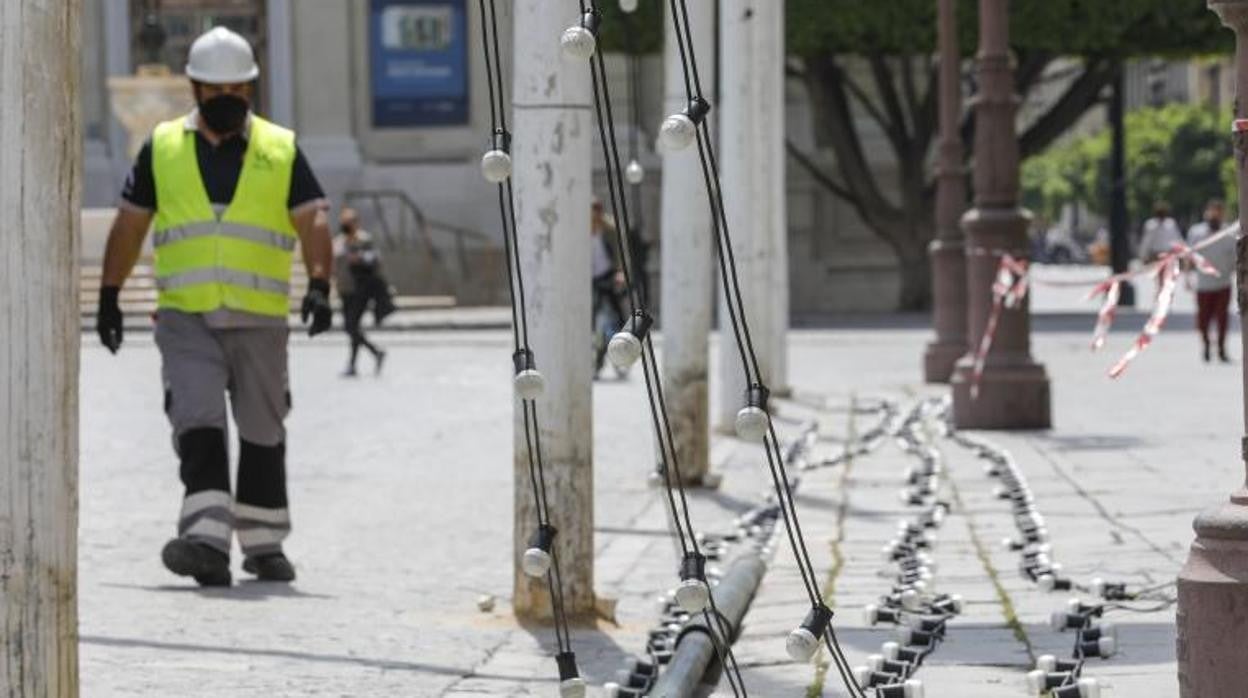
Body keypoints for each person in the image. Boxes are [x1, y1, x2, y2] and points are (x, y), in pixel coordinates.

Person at [94, 27, 333, 586]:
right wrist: (109, 294)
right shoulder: (162, 146)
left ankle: (264, 542)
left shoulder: (280, 147)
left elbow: (313, 218)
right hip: (186, 315)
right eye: (217, 88)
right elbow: (131, 226)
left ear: (251, 90)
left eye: (238, 88)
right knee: (196, 417)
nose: (228, 97)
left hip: (260, 317)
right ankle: (204, 538)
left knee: (261, 428)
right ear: (195, 89)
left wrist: (320, 283)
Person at [335, 207, 388, 376]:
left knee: (351, 326)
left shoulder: (364, 240)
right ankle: (365, 358)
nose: (345, 225)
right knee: (352, 327)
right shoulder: (338, 242)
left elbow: (376, 259)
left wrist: (360, 258)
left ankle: (367, 356)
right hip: (344, 289)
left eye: (349, 222)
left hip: (360, 290)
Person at [1187, 200, 1237, 363]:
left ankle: (1221, 348)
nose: (1215, 215)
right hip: (1204, 284)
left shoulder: (1229, 233)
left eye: (1218, 211)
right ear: (1206, 212)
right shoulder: (1196, 232)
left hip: (1223, 283)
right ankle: (1206, 344)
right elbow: (1189, 255)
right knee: (1203, 319)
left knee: (1222, 318)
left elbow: (1237, 257)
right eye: (1212, 211)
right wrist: (1187, 277)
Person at [591, 197, 626, 378]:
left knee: (616, 319)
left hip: (607, 277)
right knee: (594, 324)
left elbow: (619, 253)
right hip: (589, 281)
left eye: (596, 209)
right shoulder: (579, 229)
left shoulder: (609, 229)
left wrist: (620, 272)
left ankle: (620, 356)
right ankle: (596, 361)